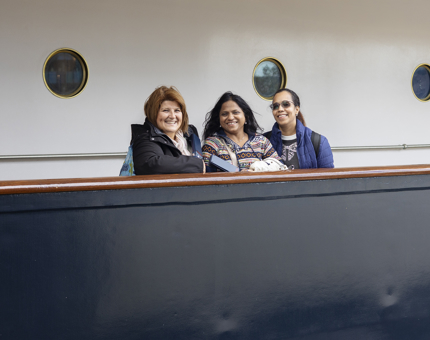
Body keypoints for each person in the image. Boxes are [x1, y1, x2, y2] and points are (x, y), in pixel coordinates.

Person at [131, 86, 205, 175]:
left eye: (177, 110)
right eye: (166, 110)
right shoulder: (145, 138)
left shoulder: (189, 134)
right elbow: (151, 164)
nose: (172, 116)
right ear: (153, 113)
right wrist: (197, 164)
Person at [202, 92, 280, 171]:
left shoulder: (261, 142)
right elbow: (207, 177)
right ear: (219, 119)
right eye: (224, 114)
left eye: (235, 112)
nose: (230, 117)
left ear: (246, 116)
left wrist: (255, 169)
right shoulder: (212, 144)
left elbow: (280, 166)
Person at [264, 89, 334, 169]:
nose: (280, 109)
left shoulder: (319, 142)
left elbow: (328, 179)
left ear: (296, 109)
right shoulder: (263, 141)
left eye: (286, 104)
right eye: (275, 106)